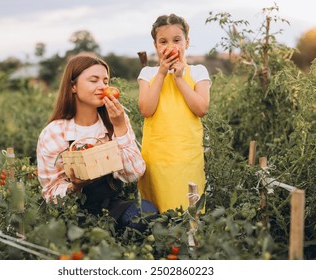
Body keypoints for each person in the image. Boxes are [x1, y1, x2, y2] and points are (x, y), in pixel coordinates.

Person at [36, 54, 158, 230]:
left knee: (146, 212)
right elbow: (50, 193)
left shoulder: (113, 122)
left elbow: (134, 174)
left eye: (105, 81)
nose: (102, 86)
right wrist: (74, 186)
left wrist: (120, 127)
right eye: (94, 80)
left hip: (111, 207)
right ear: (73, 86)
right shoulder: (55, 133)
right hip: (73, 212)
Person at [137, 14, 211, 213]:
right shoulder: (148, 74)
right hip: (156, 157)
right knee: (158, 213)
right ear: (155, 46)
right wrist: (162, 73)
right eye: (163, 41)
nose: (171, 46)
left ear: (187, 42)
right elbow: (146, 109)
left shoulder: (198, 72)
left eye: (177, 40)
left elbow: (201, 108)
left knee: (189, 212)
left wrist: (179, 78)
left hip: (187, 156)